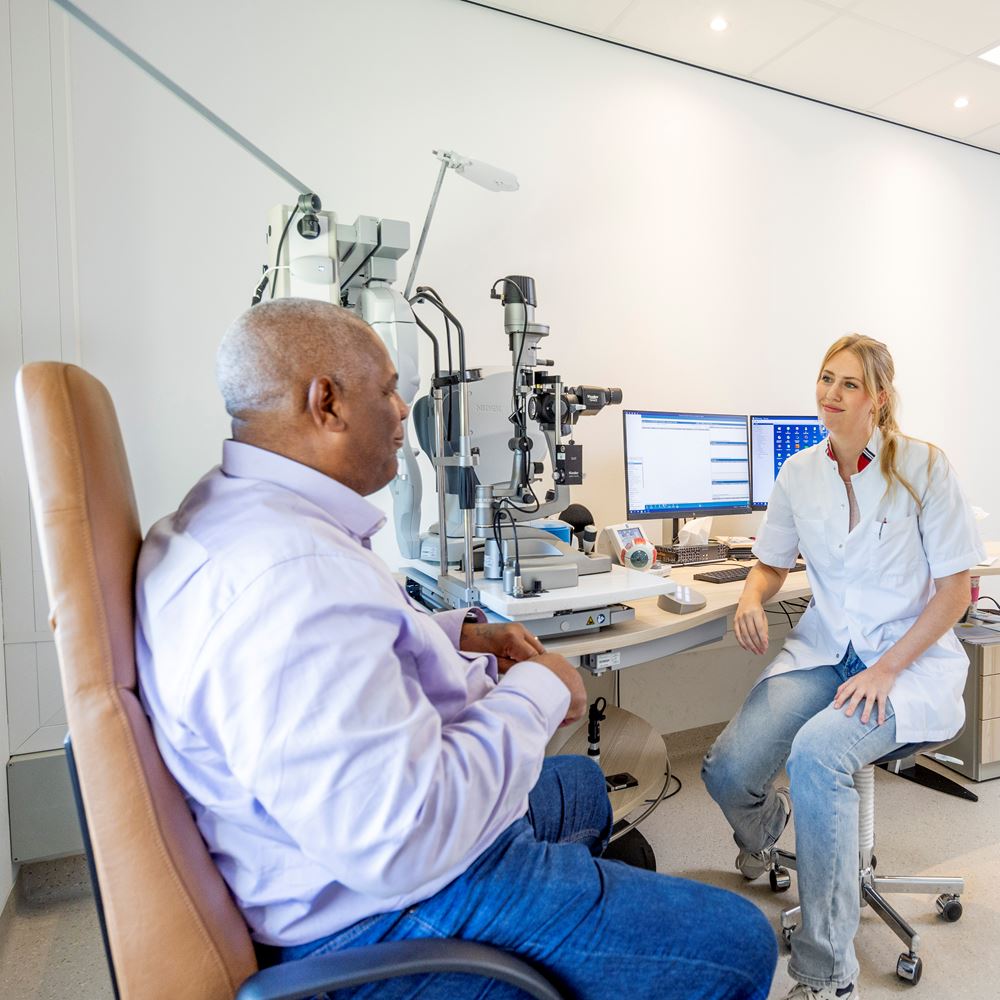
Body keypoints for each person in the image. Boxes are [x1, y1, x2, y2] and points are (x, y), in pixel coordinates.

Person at [136, 298, 776, 1000]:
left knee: (587, 786)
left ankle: (587, 928)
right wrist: (539, 691)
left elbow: (352, 641)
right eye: (386, 389)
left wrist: (462, 634)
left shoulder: (238, 512)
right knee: (738, 942)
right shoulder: (288, 580)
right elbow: (403, 838)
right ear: (326, 402)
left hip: (355, 849)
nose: (404, 410)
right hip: (391, 907)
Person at [702, 334, 985, 1000]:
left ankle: (828, 974)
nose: (831, 394)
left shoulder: (925, 469)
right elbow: (772, 563)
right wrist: (749, 595)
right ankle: (773, 836)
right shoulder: (799, 472)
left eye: (849, 384)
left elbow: (954, 593)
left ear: (879, 399)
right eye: (826, 379)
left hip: (906, 662)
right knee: (727, 768)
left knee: (818, 755)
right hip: (829, 649)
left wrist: (886, 671)